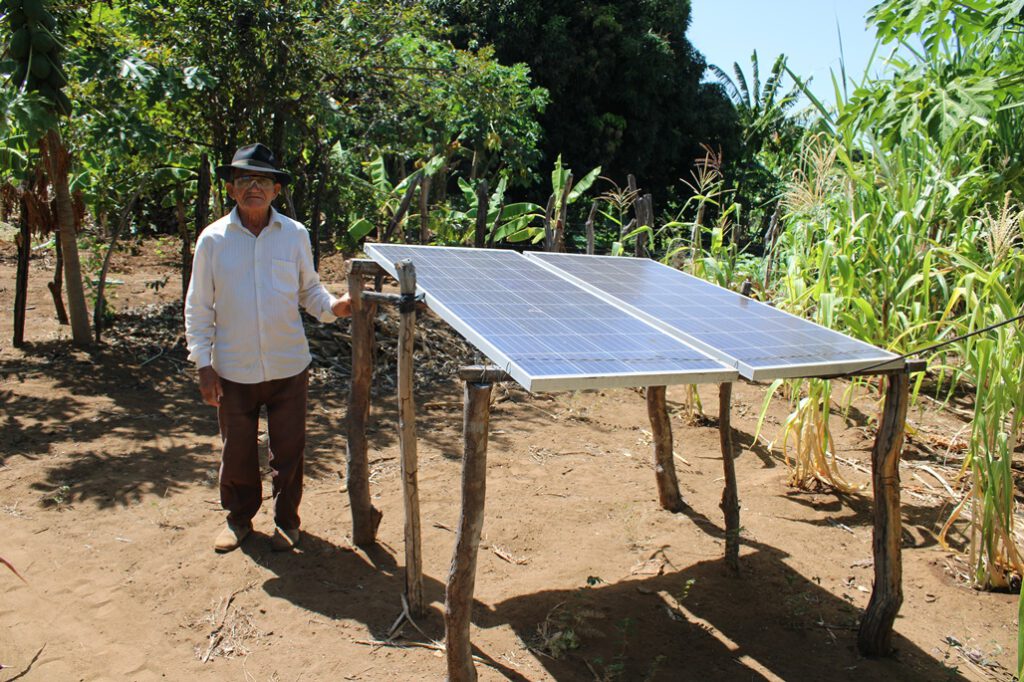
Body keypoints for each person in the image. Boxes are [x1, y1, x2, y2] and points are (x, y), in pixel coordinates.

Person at [185, 142, 351, 553]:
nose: (254, 187)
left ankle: (287, 521)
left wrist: (334, 307)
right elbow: (198, 306)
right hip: (233, 369)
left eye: (263, 180)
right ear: (231, 189)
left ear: (277, 190)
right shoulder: (213, 240)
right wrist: (203, 364)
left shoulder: (294, 235)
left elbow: (309, 290)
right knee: (237, 451)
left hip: (287, 367)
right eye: (244, 179)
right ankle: (238, 520)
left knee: (289, 450)